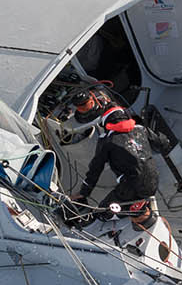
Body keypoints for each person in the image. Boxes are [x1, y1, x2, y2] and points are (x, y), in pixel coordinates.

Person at [70, 89, 173, 224]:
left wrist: (83, 193)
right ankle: (137, 210)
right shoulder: (141, 129)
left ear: (106, 122)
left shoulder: (106, 141)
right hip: (153, 182)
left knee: (102, 215)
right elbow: (164, 144)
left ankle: (132, 215)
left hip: (130, 188)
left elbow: (95, 169)